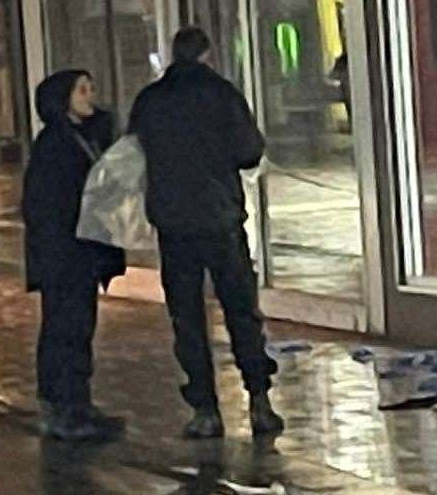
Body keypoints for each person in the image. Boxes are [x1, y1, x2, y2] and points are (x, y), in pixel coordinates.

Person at [130, 26, 284, 440]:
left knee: (187, 316)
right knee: (240, 309)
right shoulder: (223, 95)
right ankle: (258, 400)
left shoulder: (151, 101)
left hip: (174, 224)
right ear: (208, 54)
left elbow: (135, 149)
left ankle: (204, 408)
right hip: (220, 218)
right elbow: (249, 150)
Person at [22, 69, 127, 442]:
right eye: (82, 89)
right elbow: (47, 205)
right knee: (64, 329)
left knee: (79, 329)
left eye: (91, 87)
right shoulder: (54, 144)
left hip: (82, 253)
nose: (90, 95)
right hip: (66, 255)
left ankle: (77, 403)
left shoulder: (85, 138)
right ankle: (62, 407)